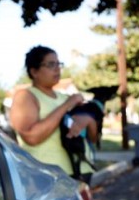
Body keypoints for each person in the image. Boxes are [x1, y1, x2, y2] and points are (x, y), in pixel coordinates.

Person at [9, 45, 93, 178]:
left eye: (58, 64)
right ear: (34, 71)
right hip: (49, 176)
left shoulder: (64, 97)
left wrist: (88, 119)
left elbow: (93, 136)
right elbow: (31, 137)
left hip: (82, 170)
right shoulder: (25, 96)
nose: (57, 68)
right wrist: (67, 105)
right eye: (50, 64)